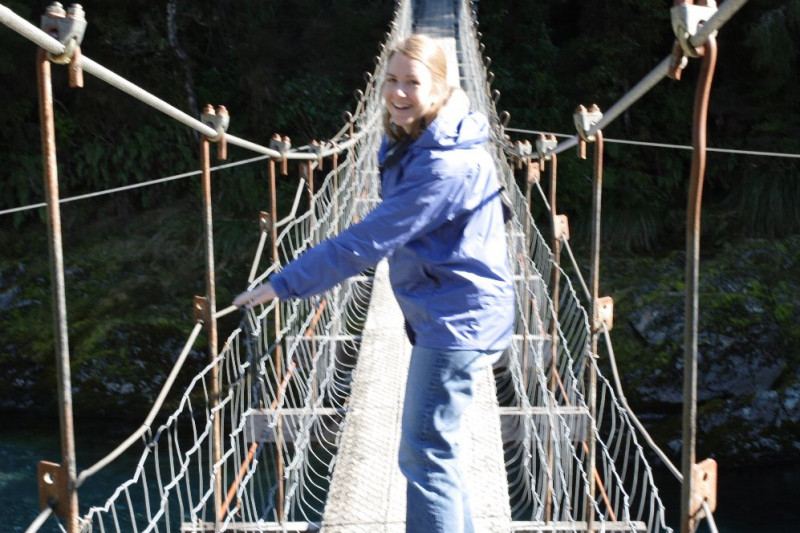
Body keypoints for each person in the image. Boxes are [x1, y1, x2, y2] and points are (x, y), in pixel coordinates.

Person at [233, 34, 514, 533]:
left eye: (413, 83)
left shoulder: (442, 163)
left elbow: (364, 243)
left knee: (426, 452)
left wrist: (284, 284)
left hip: (458, 320)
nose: (398, 92)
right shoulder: (422, 138)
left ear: (440, 88)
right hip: (456, 307)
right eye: (391, 80)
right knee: (438, 453)